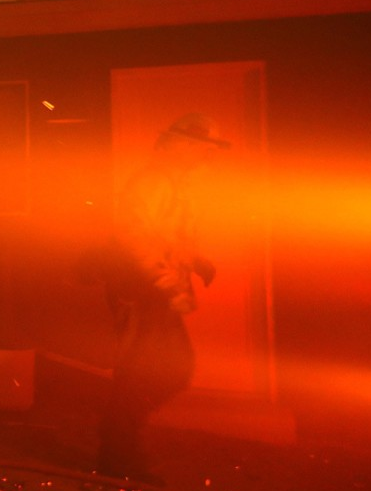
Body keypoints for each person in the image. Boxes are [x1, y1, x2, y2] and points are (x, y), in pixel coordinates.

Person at [95, 112, 227, 484]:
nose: (208, 157)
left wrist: (195, 261)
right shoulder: (153, 182)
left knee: (157, 370)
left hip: (150, 290)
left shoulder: (170, 183)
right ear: (181, 146)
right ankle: (118, 452)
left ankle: (118, 449)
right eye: (204, 149)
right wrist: (167, 284)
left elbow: (165, 235)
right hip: (140, 291)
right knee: (158, 370)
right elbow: (136, 238)